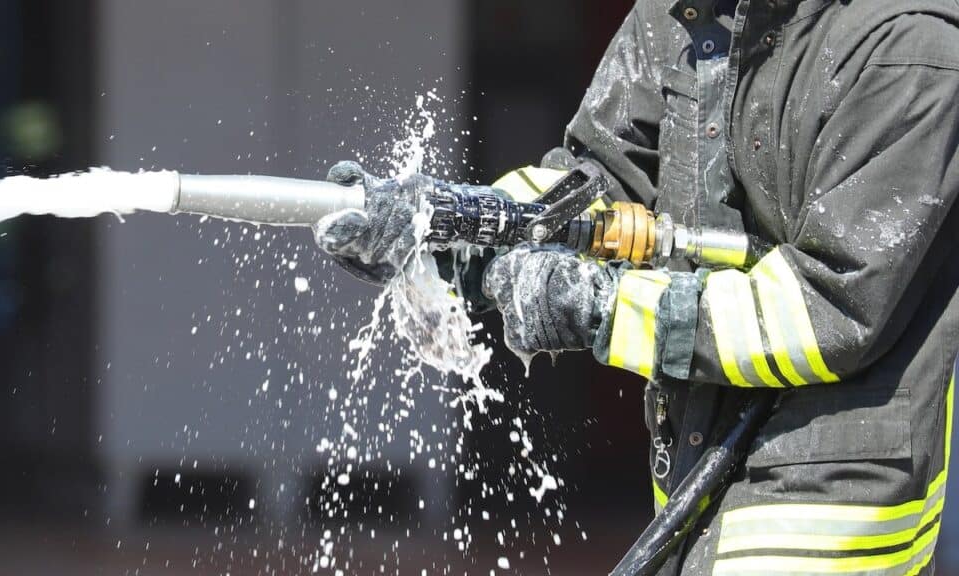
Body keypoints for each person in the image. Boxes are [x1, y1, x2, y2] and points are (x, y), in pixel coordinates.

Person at [315, 0, 959, 573]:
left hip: (826, 520)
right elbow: (591, 187)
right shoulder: (682, 17)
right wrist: (449, 227)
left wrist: (598, 309)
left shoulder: (913, 51)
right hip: (691, 498)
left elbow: (828, 306)